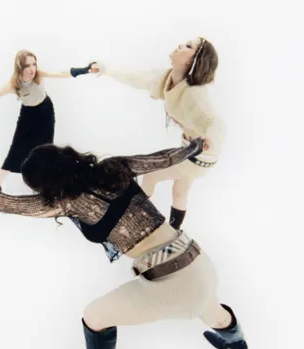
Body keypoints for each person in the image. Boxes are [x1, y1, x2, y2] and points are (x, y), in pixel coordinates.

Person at [0, 138, 248, 349]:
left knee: (94, 317)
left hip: (173, 284)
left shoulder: (67, 203)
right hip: (198, 261)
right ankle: (236, 340)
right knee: (211, 308)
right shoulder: (113, 167)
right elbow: (161, 159)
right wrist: (194, 147)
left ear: (46, 186)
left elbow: (6, 203)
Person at [93, 36, 226, 230]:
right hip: (189, 147)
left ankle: (134, 221)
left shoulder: (194, 94)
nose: (180, 44)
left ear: (193, 60)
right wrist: (106, 70)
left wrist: (209, 139)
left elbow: (217, 124)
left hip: (200, 155)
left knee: (151, 175)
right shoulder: (168, 78)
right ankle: (173, 233)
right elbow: (138, 77)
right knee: (179, 193)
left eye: (188, 46)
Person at [0, 49, 97, 190]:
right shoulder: (14, 85)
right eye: (27, 66)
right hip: (28, 114)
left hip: (45, 112)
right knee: (16, 148)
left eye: (34, 64)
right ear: (20, 68)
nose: (32, 69)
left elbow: (61, 73)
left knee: (45, 149)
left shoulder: (39, 75)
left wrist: (86, 69)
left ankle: (46, 185)